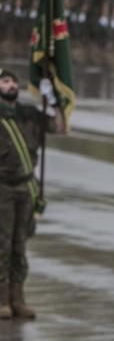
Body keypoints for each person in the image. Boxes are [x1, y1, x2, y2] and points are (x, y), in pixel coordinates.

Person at [0, 68, 65, 320]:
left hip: (26, 189)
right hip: (2, 188)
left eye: (14, 81)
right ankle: (2, 300)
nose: (10, 85)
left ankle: (19, 299)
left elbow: (59, 127)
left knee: (20, 244)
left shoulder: (29, 115)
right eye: (5, 81)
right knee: (2, 245)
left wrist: (55, 100)